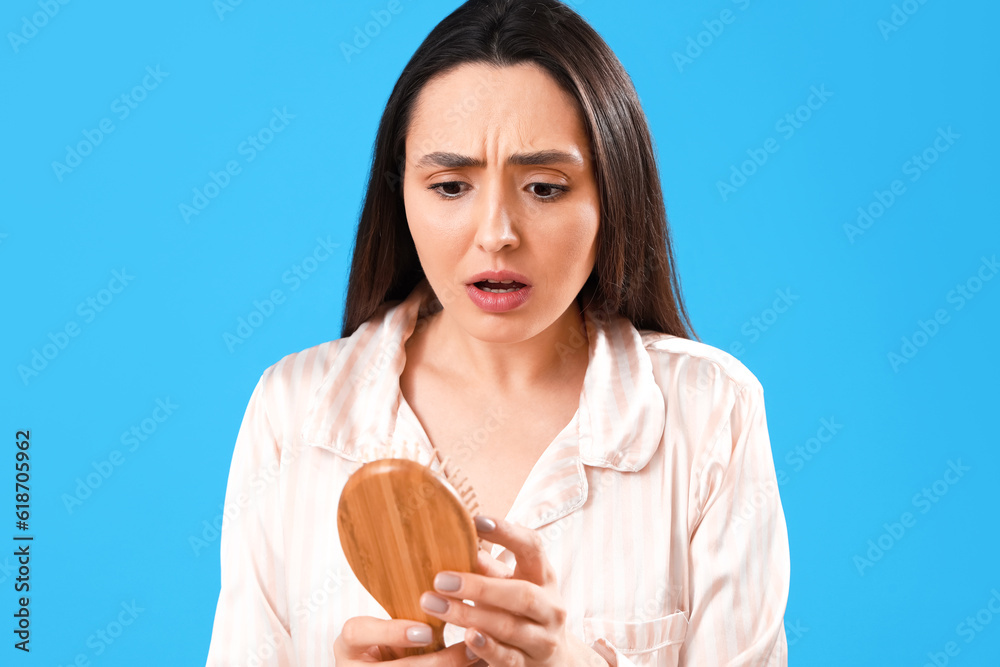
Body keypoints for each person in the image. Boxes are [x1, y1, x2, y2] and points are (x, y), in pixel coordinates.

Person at [205, 0, 790, 665]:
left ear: (612, 196)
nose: (497, 233)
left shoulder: (710, 412)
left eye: (543, 187)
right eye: (451, 186)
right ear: (402, 196)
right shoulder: (292, 411)